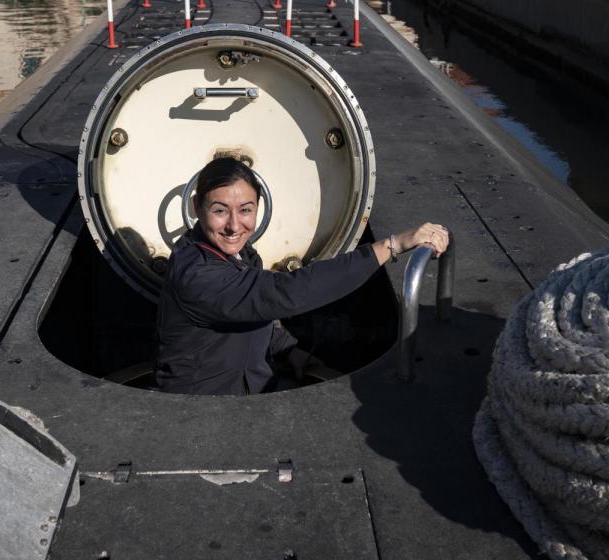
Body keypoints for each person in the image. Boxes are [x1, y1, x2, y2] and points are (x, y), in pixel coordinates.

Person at [155, 157, 449, 395]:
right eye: (220, 210)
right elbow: (285, 294)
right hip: (203, 409)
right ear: (197, 207)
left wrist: (286, 350)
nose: (234, 225)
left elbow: (250, 314)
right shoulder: (197, 273)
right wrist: (391, 246)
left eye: (246, 210)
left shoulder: (236, 253)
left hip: (244, 393)